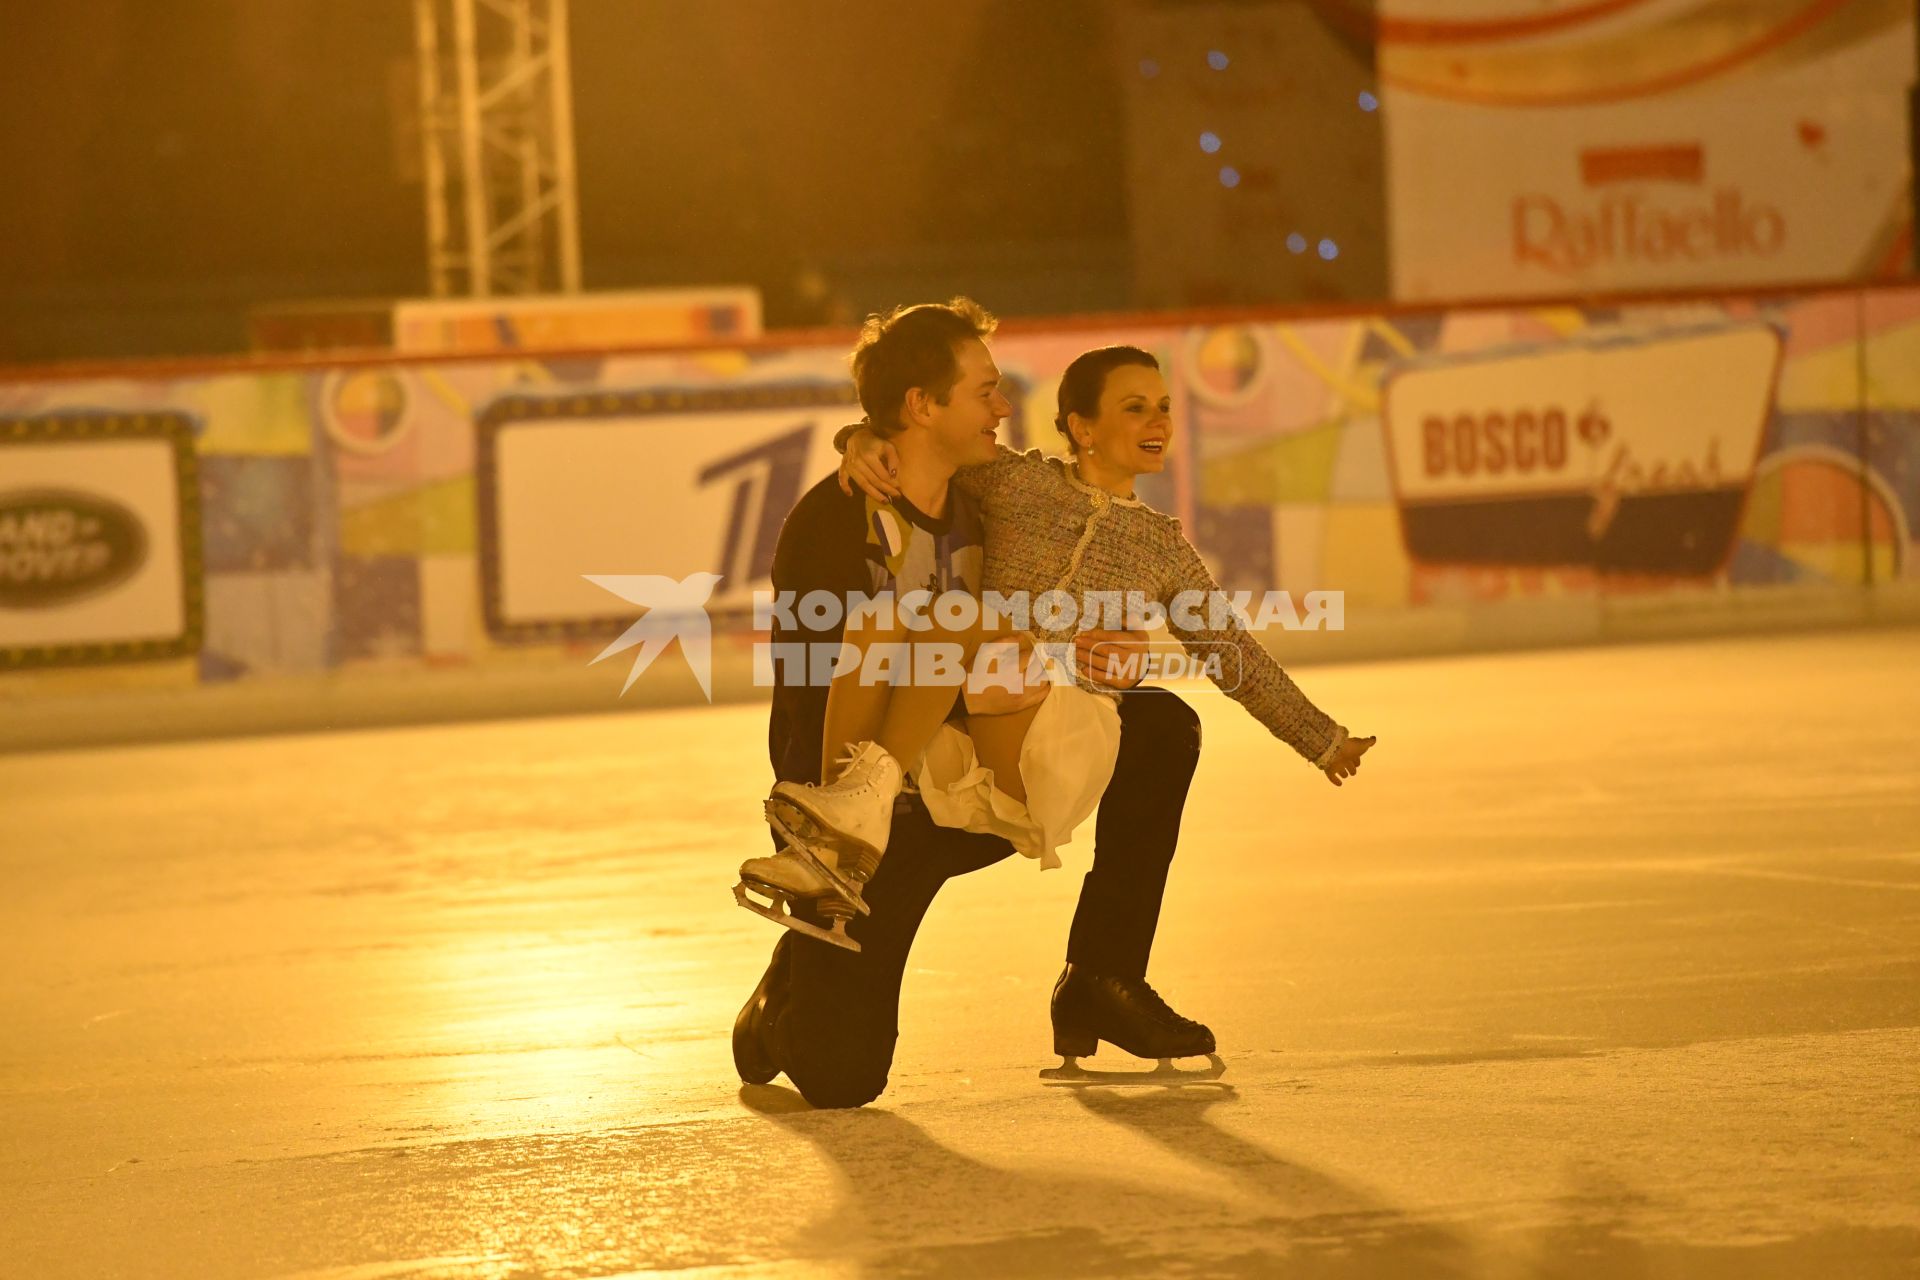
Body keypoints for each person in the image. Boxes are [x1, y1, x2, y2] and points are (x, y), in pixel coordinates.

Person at [733, 300, 1219, 1107]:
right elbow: (820, 699)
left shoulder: (982, 503)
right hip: (869, 808)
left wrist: (1085, 649)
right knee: (842, 1078)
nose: (1003, 405)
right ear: (923, 406)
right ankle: (787, 994)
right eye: (984, 390)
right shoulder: (834, 522)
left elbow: (1017, 624)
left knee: (1160, 724)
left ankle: (1102, 976)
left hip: (969, 772)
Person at [765, 344, 1374, 938]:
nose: (1159, 421)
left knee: (963, 615)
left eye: (1163, 406)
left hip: (1058, 733)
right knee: (879, 619)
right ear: (1081, 426)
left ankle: (854, 814)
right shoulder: (1014, 483)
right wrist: (861, 440)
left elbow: (1231, 652)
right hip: (985, 715)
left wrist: (1323, 740)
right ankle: (832, 839)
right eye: (1135, 407)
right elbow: (927, 437)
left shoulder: (1164, 549)